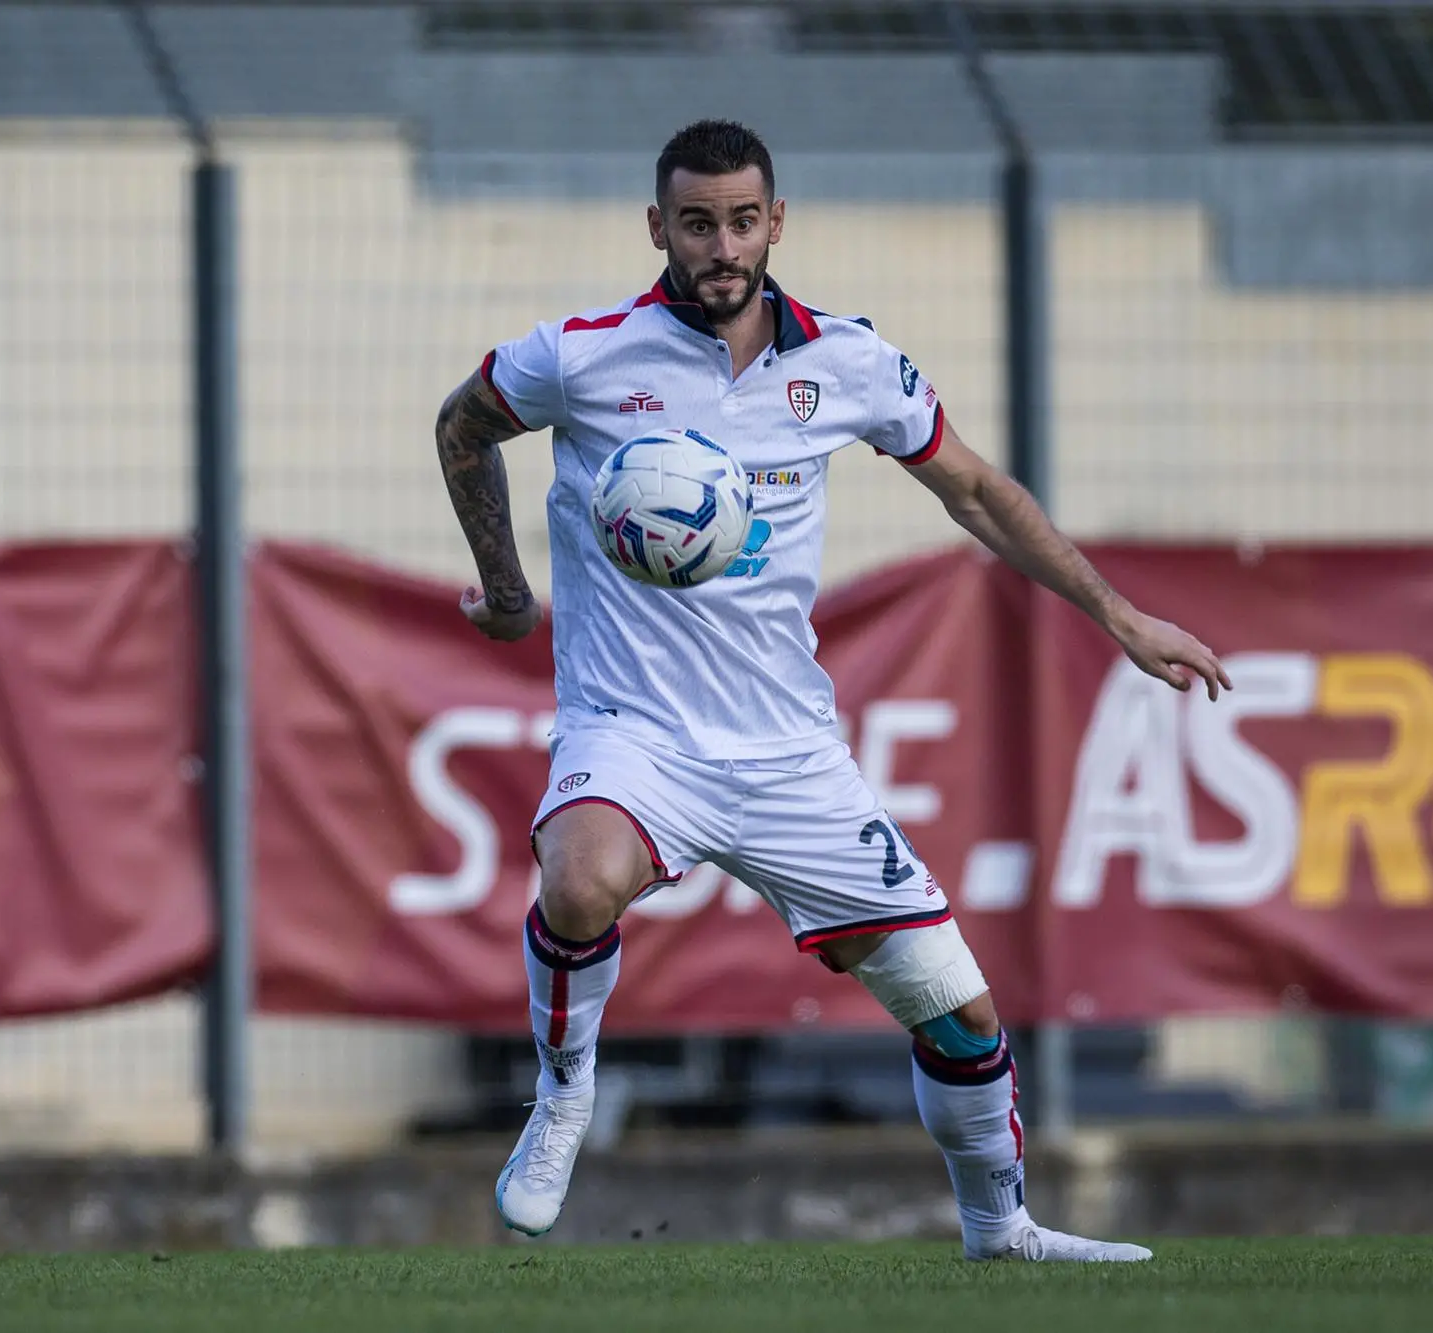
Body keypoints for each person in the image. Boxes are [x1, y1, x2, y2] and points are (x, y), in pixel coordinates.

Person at [433, 119, 1230, 1262]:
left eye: (742, 221)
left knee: (958, 1013)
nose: (722, 246)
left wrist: (1119, 614)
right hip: (634, 732)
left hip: (791, 755)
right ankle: (563, 1097)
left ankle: (998, 1229)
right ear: (656, 227)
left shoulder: (845, 362)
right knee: (579, 878)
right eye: (697, 223)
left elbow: (973, 488)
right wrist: (507, 592)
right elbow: (462, 424)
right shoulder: (583, 354)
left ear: (776, 223)